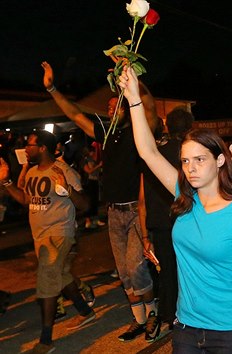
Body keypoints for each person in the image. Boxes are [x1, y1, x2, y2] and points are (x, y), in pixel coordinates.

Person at [118, 66, 232, 354]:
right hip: (187, 328)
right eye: (185, 161)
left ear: (219, 161)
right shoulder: (185, 198)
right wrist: (134, 99)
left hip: (231, 329)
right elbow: (148, 152)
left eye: (200, 159)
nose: (191, 168)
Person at [41, 61, 161, 342]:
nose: (109, 110)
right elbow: (74, 112)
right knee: (123, 272)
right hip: (114, 213)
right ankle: (138, 320)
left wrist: (131, 75)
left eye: (115, 105)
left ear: (126, 107)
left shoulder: (139, 131)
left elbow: (150, 107)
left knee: (136, 267)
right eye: (107, 108)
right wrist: (52, 89)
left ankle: (153, 313)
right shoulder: (106, 136)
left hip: (135, 210)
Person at [0, 130, 96, 354]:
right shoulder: (33, 171)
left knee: (46, 279)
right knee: (61, 276)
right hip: (40, 236)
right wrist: (5, 182)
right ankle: (85, 312)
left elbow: (85, 205)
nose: (26, 149)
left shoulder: (64, 171)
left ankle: (46, 340)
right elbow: (25, 199)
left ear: (42, 147)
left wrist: (68, 188)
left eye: (30, 145)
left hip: (59, 233)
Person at [140, 106, 193, 332]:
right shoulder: (190, 152)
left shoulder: (156, 152)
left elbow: (142, 196)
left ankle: (167, 315)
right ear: (190, 127)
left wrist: (144, 233)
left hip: (160, 221)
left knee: (167, 270)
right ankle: (188, 312)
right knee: (189, 268)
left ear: (168, 126)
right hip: (185, 219)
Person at [82, 145, 104, 229]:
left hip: (95, 181)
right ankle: (87, 220)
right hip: (89, 182)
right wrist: (98, 166)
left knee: (95, 201)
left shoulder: (92, 160)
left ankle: (95, 219)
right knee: (89, 202)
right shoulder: (84, 161)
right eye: (92, 151)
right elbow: (89, 171)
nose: (94, 153)